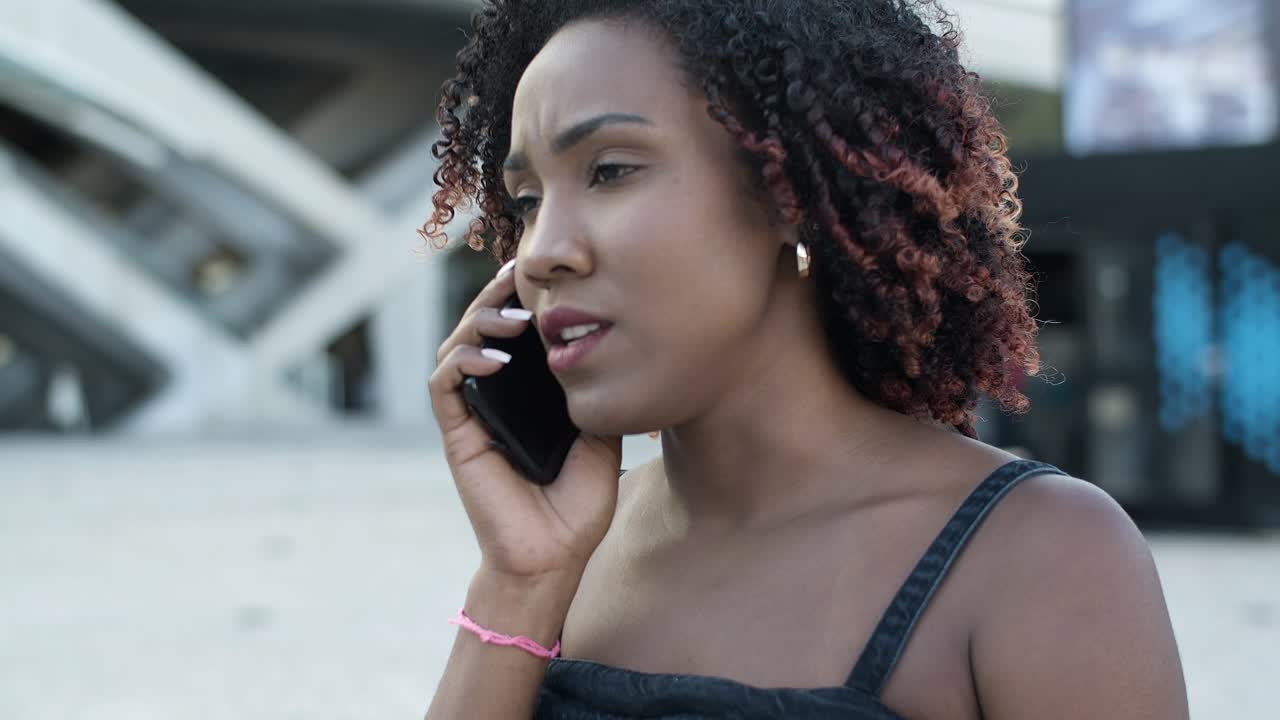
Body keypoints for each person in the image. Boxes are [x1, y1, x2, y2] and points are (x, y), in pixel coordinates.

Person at [421, 1, 1189, 717]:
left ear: (787, 193)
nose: (541, 253)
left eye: (610, 170)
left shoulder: (1041, 554)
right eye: (526, 201)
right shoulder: (567, 551)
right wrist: (517, 583)